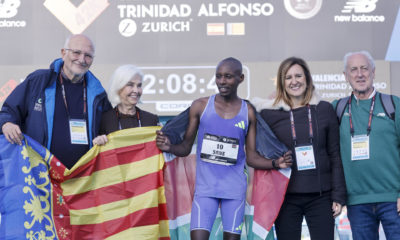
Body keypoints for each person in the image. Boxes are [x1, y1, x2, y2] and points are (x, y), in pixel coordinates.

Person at [156, 57, 293, 240]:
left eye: (228, 76)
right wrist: (170, 146)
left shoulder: (248, 111)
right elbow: (185, 147)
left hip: (234, 191)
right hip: (205, 191)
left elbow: (251, 157)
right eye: (219, 76)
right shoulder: (201, 106)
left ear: (241, 78)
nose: (222, 81)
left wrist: (275, 163)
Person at [252, 57, 346, 240]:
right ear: (282, 82)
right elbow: (255, 153)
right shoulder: (269, 114)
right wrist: (273, 163)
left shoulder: (324, 109)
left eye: (298, 76)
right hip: (285, 198)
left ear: (307, 79)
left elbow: (335, 155)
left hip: (321, 197)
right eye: (288, 77)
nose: (294, 81)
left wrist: (339, 195)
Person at [0, 34, 112, 169]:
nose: (82, 59)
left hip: (83, 179)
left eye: (88, 55)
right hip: (39, 175)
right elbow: (8, 111)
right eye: (76, 52)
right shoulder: (38, 81)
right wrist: (6, 124)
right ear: (63, 53)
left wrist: (103, 138)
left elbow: (109, 131)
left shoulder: (98, 93)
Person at [332, 51, 400, 240]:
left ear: (373, 72)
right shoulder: (337, 108)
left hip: (393, 201)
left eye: (364, 68)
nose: (359, 74)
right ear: (346, 76)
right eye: (353, 69)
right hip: (357, 202)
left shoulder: (393, 104)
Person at [92, 64, 159, 145]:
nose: (136, 90)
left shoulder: (151, 120)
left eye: (139, 85)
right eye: (130, 85)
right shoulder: (103, 120)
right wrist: (97, 143)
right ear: (118, 87)